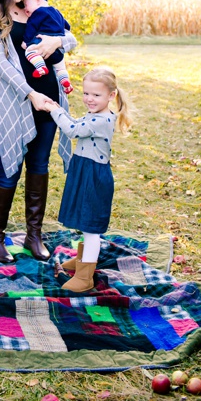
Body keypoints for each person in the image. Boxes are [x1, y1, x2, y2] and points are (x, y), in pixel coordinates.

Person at [0, 0, 70, 264]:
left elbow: (69, 37)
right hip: (14, 102)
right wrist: (30, 94)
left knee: (39, 165)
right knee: (9, 169)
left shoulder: (35, 8)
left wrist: (55, 42)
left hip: (48, 98)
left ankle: (34, 235)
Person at [49, 67, 132, 293]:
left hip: (94, 176)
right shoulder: (95, 116)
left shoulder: (103, 120)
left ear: (111, 96)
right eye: (86, 93)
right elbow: (77, 123)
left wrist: (53, 111)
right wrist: (60, 110)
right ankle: (83, 259)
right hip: (84, 170)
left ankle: (85, 277)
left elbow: (73, 130)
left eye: (96, 95)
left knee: (91, 228)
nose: (89, 99)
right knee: (85, 222)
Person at [22, 0, 77, 94]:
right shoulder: (57, 12)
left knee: (29, 51)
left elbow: (31, 27)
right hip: (58, 52)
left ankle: (41, 67)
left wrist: (26, 42)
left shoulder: (38, 12)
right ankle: (65, 80)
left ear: (37, 1)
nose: (24, 9)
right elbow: (67, 27)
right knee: (60, 68)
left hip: (41, 42)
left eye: (25, 5)